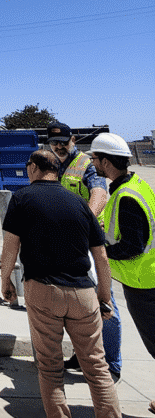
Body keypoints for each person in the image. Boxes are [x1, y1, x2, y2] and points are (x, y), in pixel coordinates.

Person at [0, 148, 125, 418]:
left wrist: (6, 283)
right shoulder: (79, 205)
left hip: (43, 290)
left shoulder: (22, 199)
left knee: (51, 369)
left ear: (36, 168)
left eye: (28, 167)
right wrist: (104, 299)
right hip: (83, 293)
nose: (26, 172)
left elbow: (10, 246)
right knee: (97, 370)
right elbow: (100, 259)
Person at [90, 132, 155, 418]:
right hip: (146, 281)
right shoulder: (133, 187)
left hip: (146, 285)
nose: (92, 164)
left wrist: (99, 248)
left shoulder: (126, 196)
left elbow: (132, 245)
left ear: (105, 161)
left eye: (95, 159)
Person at [46, 121, 122, 379]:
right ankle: (82, 356)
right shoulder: (53, 165)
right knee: (77, 303)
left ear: (74, 140)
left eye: (64, 142)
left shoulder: (86, 165)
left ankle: (112, 364)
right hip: (63, 241)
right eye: (54, 143)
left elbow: (99, 194)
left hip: (87, 239)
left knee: (104, 300)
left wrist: (83, 222)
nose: (59, 147)